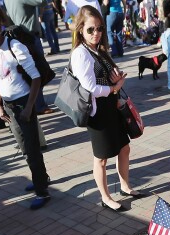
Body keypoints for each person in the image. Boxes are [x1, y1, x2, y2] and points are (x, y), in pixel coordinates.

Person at [71, 5, 144, 213]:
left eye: (100, 28)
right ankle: (105, 197)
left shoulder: (96, 50)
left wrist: (116, 80)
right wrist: (114, 87)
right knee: (101, 158)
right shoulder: (81, 54)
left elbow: (101, 77)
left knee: (124, 147)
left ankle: (125, 185)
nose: (96, 33)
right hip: (97, 112)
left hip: (111, 106)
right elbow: (90, 88)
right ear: (80, 30)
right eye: (91, 30)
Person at [0, 14, 52, 210]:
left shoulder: (15, 46)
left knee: (32, 147)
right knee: (24, 147)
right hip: (8, 105)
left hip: (23, 102)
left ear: (0, 28)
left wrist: (29, 107)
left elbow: (35, 78)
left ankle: (42, 191)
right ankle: (41, 178)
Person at [3, 0, 53, 114]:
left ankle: (36, 104)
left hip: (19, 36)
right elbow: (43, 2)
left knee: (29, 71)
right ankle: (39, 105)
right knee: (37, 71)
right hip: (29, 36)